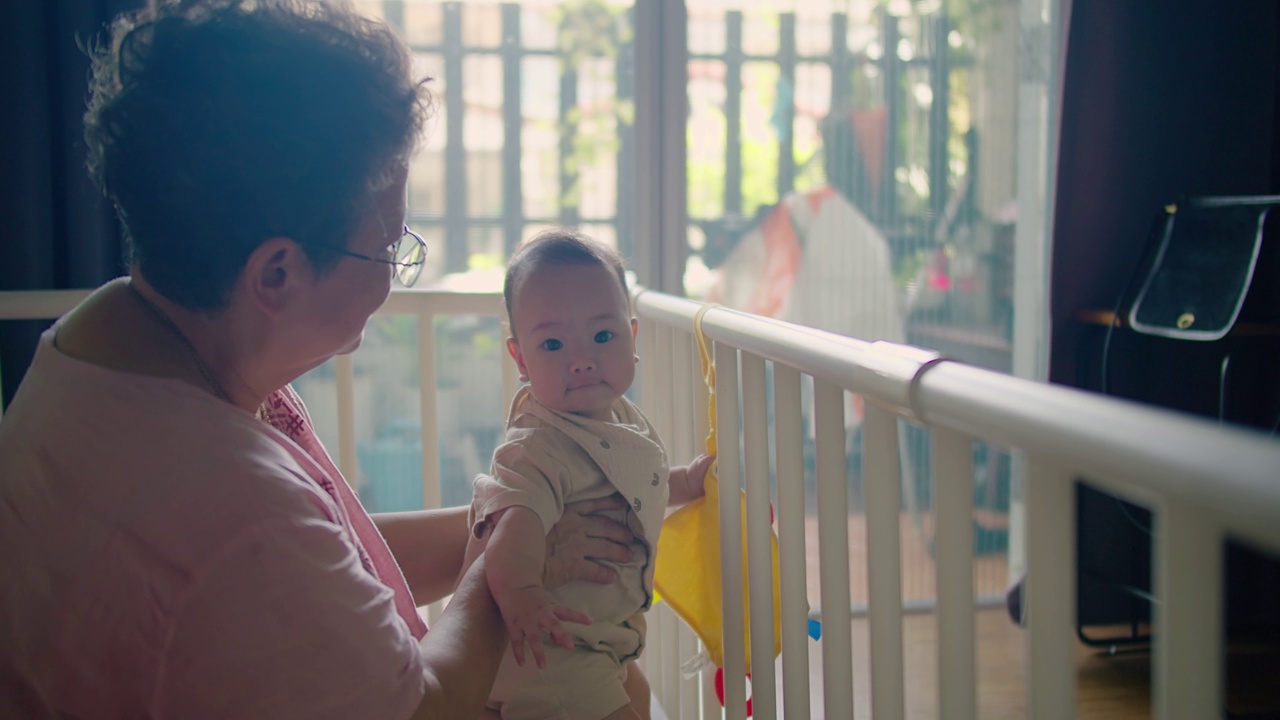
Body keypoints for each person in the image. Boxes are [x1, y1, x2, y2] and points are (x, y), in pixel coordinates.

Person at [0, 2, 643, 718]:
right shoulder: (231, 506)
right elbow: (422, 707)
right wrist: (508, 565)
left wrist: (522, 524)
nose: (393, 272)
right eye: (389, 246)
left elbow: (332, 558)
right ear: (277, 274)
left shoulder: (113, 337)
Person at [465, 230, 714, 720]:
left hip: (599, 640)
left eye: (603, 336)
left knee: (638, 700)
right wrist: (523, 599)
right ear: (521, 359)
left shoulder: (617, 416)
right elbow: (513, 533)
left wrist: (689, 481)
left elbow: (638, 486)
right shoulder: (536, 447)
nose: (580, 361)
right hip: (553, 647)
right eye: (553, 344)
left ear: (632, 336)